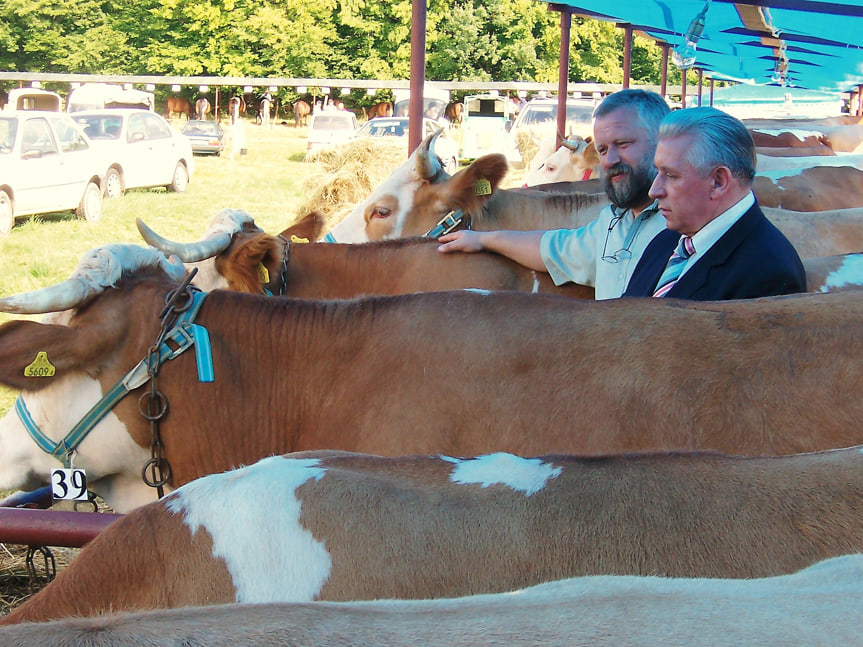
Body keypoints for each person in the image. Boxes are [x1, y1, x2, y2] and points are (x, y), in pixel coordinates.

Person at [437, 89, 670, 299]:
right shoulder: (611, 225)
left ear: (664, 142)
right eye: (603, 150)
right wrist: (482, 239)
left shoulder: (687, 228)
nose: (610, 160)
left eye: (624, 143)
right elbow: (552, 247)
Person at [623, 107, 805, 300]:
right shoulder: (664, 242)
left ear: (718, 182)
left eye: (670, 175)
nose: (654, 190)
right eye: (657, 172)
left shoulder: (769, 274)